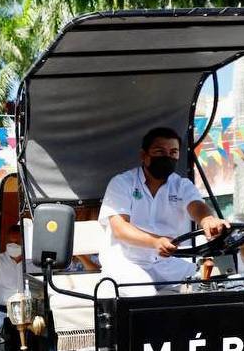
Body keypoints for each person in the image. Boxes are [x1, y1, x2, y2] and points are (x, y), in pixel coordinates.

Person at [97, 126, 228, 296]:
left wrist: (208, 220)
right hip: (125, 262)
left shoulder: (181, 185)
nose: (167, 157)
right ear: (144, 155)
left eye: (173, 152)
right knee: (146, 294)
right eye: (160, 152)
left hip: (164, 263)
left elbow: (197, 206)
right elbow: (120, 228)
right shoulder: (122, 183)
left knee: (212, 283)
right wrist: (156, 242)